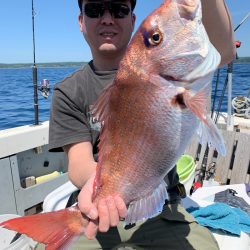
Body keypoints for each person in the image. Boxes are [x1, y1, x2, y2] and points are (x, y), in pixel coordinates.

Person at [48, 0, 236, 249]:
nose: (107, 18)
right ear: (81, 21)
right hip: (93, 207)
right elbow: (78, 162)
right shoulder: (68, 91)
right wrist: (101, 190)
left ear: (133, 20)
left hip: (165, 210)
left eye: (119, 10)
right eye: (94, 10)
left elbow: (223, 50)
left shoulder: (185, 76)